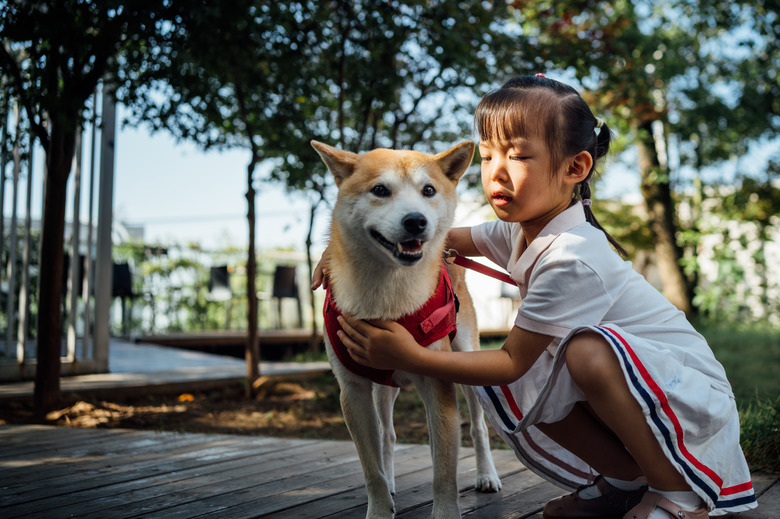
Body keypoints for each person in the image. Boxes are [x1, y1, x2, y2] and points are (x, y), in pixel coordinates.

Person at [311, 75, 756, 519]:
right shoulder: (519, 231)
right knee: (530, 380)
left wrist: (412, 357)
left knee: (569, 356)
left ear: (574, 169)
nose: (496, 171)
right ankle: (625, 481)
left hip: (688, 399)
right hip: (647, 387)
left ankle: (678, 494)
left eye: (518, 155)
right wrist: (341, 249)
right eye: (488, 155)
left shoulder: (574, 255)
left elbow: (510, 363)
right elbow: (436, 236)